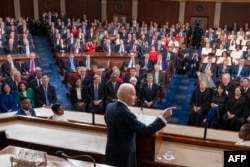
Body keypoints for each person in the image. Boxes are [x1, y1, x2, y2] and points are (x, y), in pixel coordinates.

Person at [105, 83, 176, 167]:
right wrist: (163, 117)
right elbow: (146, 131)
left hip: (110, 151)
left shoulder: (109, 107)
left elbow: (108, 121)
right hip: (124, 156)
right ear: (126, 97)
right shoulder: (127, 115)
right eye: (134, 94)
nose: (136, 97)